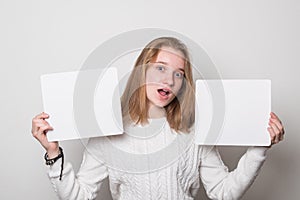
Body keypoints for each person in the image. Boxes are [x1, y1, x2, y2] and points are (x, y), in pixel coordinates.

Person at [31, 37, 285, 200]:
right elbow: (79, 196)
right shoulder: (108, 131)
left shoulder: (195, 131)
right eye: (161, 68)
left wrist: (257, 149)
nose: (169, 80)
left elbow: (224, 192)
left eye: (178, 74)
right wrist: (53, 154)